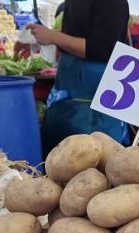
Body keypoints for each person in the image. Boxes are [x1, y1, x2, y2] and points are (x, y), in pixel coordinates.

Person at [27, 0, 130, 152]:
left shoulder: (113, 3)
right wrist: (40, 37)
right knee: (58, 154)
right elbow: (75, 35)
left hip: (93, 97)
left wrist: (54, 37)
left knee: (92, 155)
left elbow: (103, 49)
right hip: (66, 88)